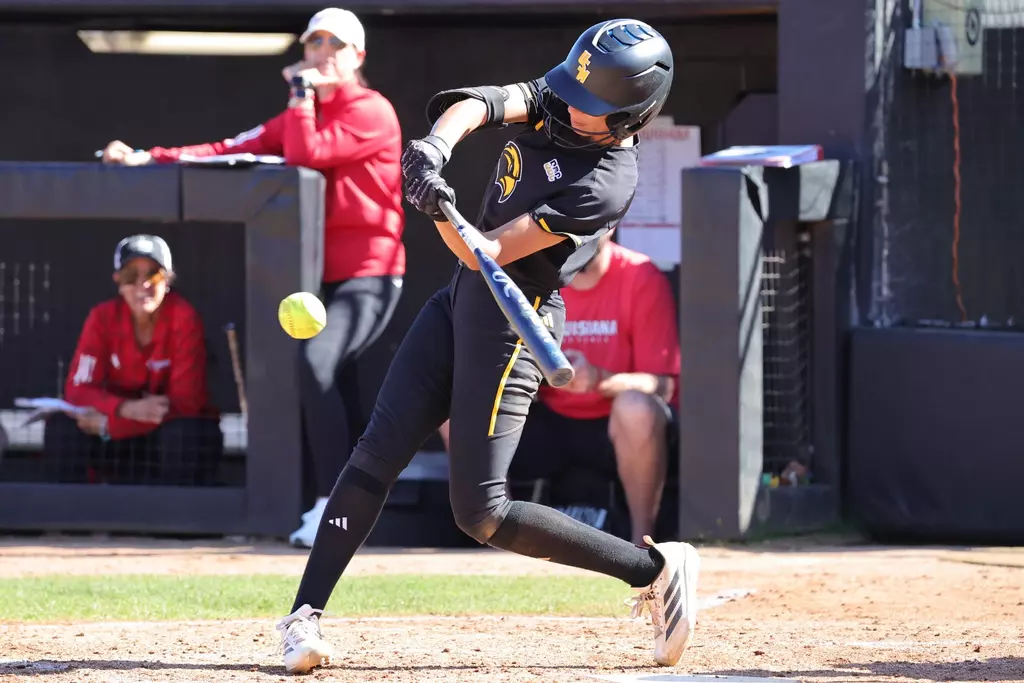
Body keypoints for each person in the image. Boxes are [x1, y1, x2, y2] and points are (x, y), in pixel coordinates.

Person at [273, 19, 701, 675]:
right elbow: (483, 104)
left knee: (482, 512)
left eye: (592, 107)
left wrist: (439, 209)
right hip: (461, 299)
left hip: (515, 311)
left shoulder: (608, 179)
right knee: (376, 449)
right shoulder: (566, 96)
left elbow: (491, 250)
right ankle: (303, 616)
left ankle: (653, 567)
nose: (570, 105)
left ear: (625, 118)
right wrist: (432, 152)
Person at [100, 8, 406, 543]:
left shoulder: (372, 110)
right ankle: (347, 510)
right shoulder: (300, 114)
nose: (321, 54)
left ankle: (334, 506)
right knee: (335, 385)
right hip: (314, 278)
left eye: (335, 46)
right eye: (314, 44)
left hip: (369, 274)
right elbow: (229, 149)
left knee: (317, 364)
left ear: (357, 57)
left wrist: (299, 98)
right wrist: (151, 158)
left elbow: (307, 156)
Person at [439, 232, 681, 544]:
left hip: (611, 427)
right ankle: (492, 535)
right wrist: (533, 377)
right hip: (544, 419)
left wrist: (598, 379)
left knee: (636, 407)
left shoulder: (639, 275)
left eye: (593, 226)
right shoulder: (528, 276)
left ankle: (641, 546)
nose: (582, 237)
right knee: (453, 403)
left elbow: (662, 384)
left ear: (610, 224)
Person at [44, 235, 223, 486]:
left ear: (168, 280)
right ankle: (71, 520)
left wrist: (112, 425)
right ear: (118, 281)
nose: (142, 285)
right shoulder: (102, 318)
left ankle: (176, 521)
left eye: (153, 275)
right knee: (62, 429)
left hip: (165, 437)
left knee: (186, 433)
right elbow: (78, 392)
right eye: (131, 276)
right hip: (114, 437)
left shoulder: (184, 319)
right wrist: (124, 409)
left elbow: (187, 402)